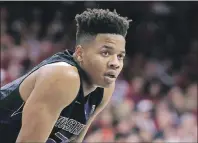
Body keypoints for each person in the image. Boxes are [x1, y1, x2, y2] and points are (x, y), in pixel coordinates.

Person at [0, 8, 131, 143]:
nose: (115, 63)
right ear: (80, 53)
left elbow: (74, 140)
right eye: (105, 53)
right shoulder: (63, 76)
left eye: (120, 56)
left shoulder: (104, 88)